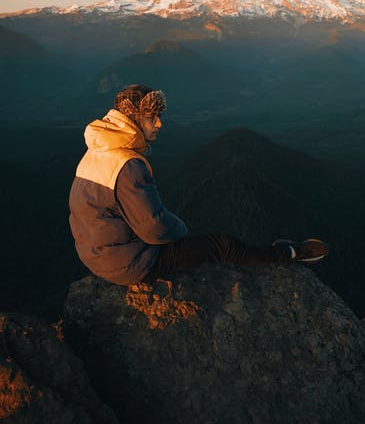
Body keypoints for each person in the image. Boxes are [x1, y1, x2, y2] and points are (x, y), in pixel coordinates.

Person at [69, 84, 329, 286]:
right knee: (221, 244)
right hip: (127, 264)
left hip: (95, 254)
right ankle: (287, 253)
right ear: (133, 119)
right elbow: (154, 230)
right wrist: (181, 228)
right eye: (152, 118)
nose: (159, 123)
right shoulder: (127, 165)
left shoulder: (97, 152)